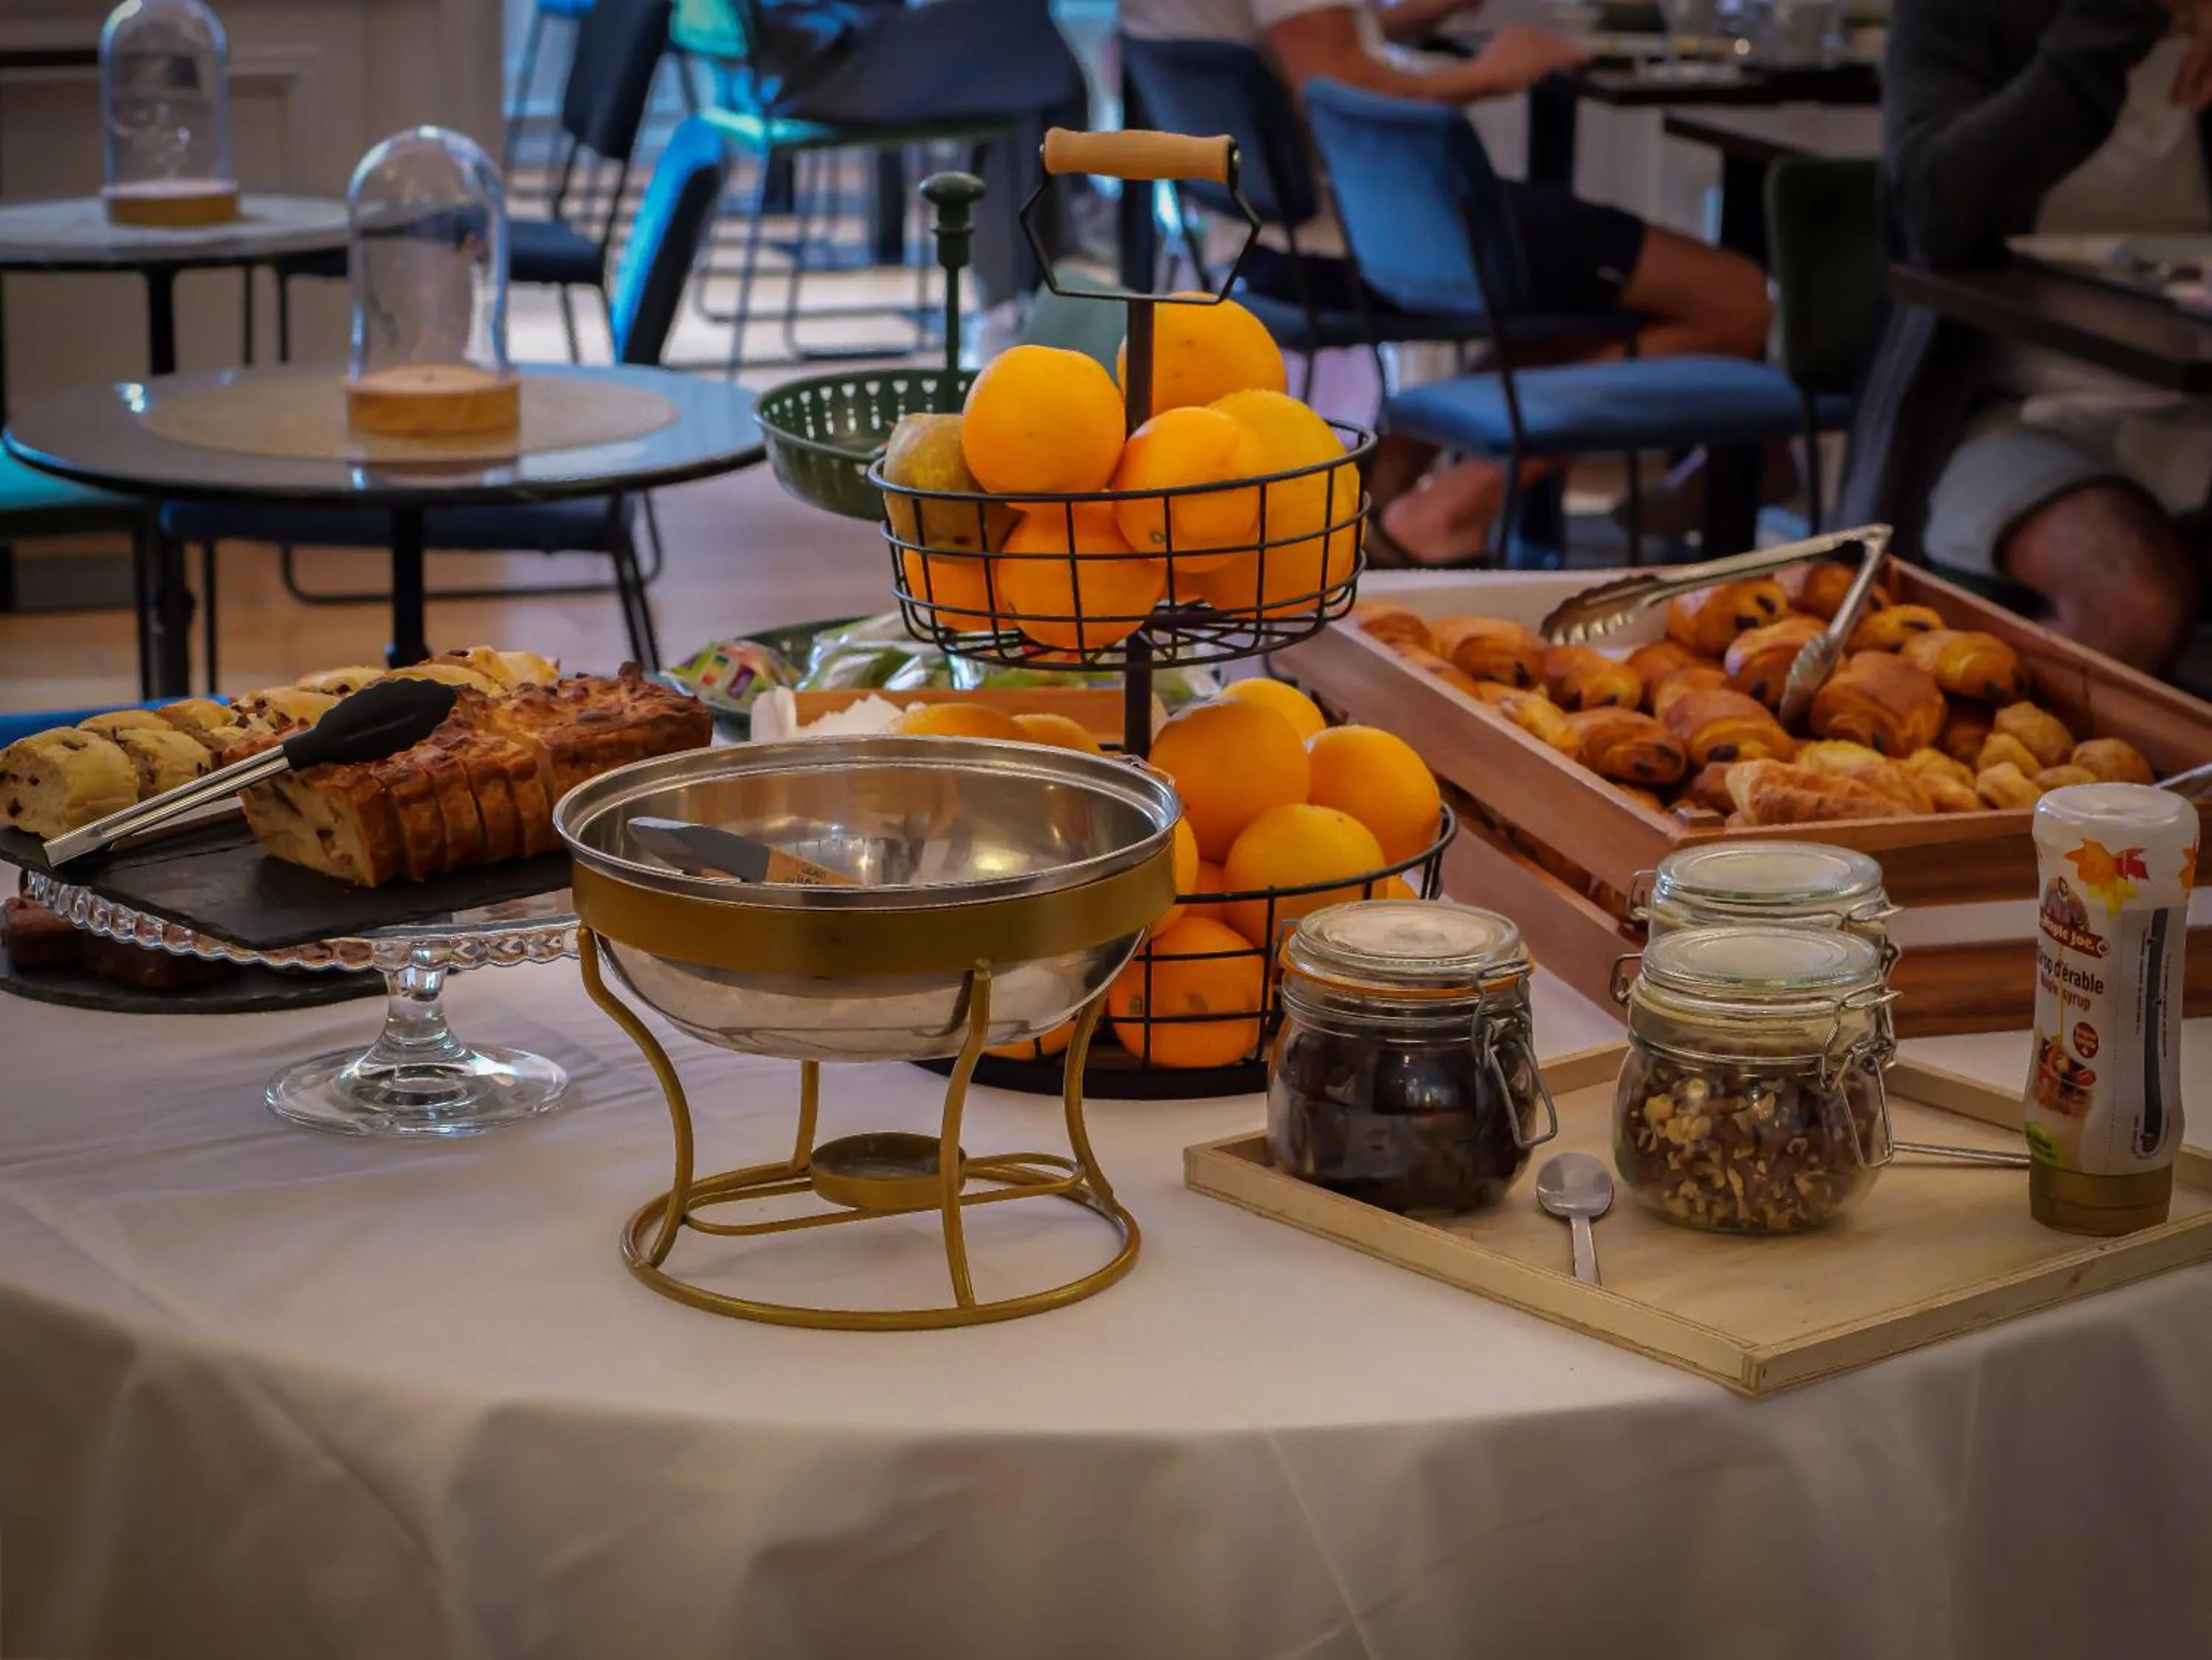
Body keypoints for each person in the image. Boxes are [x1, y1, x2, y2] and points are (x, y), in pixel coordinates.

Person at [1118, 0, 1775, 564]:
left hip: (1256, 237)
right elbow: (1334, 80)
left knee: (1588, 298)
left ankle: (1383, 479)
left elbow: (1306, 38)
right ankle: (1452, 507)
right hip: (1349, 237)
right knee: (1735, 298)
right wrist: (1490, 72)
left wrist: (1415, 16)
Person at [1840, 0, 2212, 673]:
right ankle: (2009, 742)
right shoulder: (1960, 16)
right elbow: (1936, 214)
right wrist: (2118, 21)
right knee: (2133, 599)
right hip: (2005, 415)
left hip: (2195, 412)